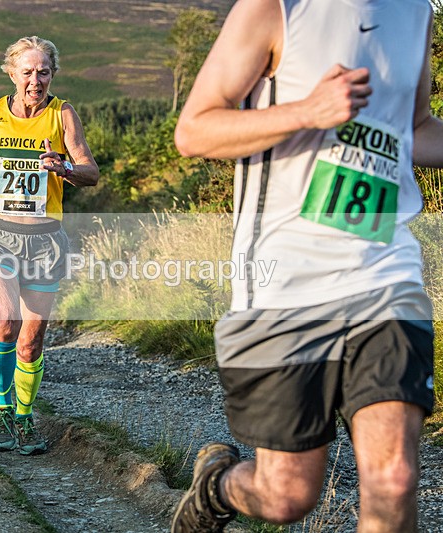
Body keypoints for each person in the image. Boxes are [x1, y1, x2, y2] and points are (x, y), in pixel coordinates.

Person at [171, 0, 442, 531]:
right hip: (285, 280)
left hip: (387, 272)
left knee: (394, 479)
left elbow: (417, 127)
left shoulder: (416, 10)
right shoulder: (276, 8)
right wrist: (308, 111)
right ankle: (218, 486)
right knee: (287, 495)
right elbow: (195, 129)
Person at [0, 36, 99, 455]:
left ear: (52, 75)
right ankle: (2, 409)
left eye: (43, 71)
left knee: (31, 340)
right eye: (27, 72)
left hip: (45, 240)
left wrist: (63, 168)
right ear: (11, 73)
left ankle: (25, 418)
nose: (35, 80)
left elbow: (90, 171)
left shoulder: (63, 115)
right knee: (4, 323)